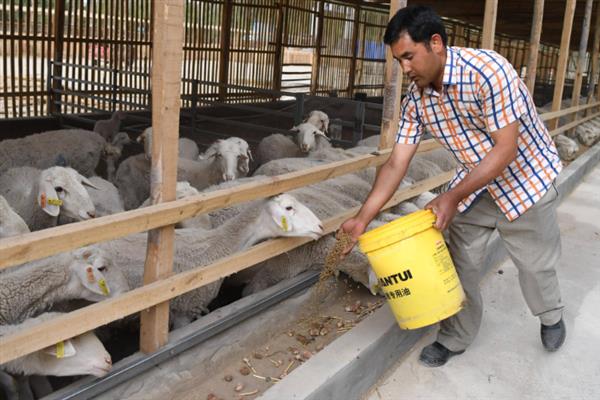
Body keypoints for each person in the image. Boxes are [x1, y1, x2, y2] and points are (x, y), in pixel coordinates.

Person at [340, 5, 566, 367]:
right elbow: (398, 161)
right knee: (458, 261)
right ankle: (456, 335)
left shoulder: (488, 72)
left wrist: (451, 196)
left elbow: (506, 148)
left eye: (409, 57)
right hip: (476, 185)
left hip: (527, 180)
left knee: (535, 265)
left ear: (436, 43)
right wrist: (362, 219)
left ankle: (551, 315)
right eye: (399, 61)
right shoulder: (417, 100)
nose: (405, 69)